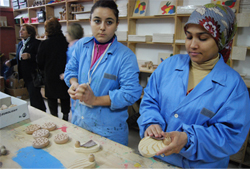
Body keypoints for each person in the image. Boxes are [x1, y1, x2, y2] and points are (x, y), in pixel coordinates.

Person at [137, 3, 250, 168]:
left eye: (202, 38)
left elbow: (230, 136)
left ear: (221, 40)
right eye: (189, 36)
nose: (192, 45)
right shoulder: (168, 66)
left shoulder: (233, 87)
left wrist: (188, 139)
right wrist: (151, 123)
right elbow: (150, 100)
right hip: (158, 160)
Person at [64, 0, 142, 146]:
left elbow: (131, 93)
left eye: (109, 22)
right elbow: (70, 70)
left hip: (109, 131)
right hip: (79, 121)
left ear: (117, 24)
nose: (102, 28)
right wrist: (74, 84)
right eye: (97, 21)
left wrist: (95, 100)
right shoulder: (81, 45)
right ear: (90, 21)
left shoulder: (126, 56)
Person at [5, 24, 46, 112]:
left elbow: (41, 58)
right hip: (25, 75)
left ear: (30, 33)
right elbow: (18, 57)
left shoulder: (36, 43)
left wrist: (30, 56)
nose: (20, 31)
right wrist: (11, 62)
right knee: (34, 95)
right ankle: (41, 110)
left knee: (34, 95)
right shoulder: (21, 43)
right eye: (20, 29)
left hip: (34, 74)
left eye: (23, 30)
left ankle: (38, 112)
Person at [37, 17, 70, 121]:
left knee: (52, 97)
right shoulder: (66, 42)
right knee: (65, 95)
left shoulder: (44, 44)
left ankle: (54, 117)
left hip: (50, 74)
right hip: (64, 73)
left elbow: (39, 61)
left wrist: (43, 70)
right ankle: (65, 116)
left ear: (47, 29)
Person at [60, 23, 84, 116]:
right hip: (76, 78)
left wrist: (67, 75)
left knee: (76, 104)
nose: (66, 35)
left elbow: (75, 66)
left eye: (67, 33)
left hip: (77, 80)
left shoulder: (74, 47)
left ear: (71, 34)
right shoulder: (80, 44)